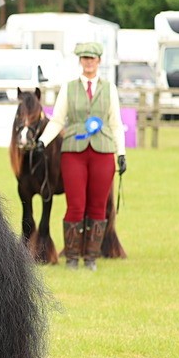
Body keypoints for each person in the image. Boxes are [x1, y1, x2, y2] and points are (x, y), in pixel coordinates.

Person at [36, 41, 127, 271]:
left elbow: (116, 124)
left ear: (99, 61)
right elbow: (58, 120)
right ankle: (72, 257)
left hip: (103, 151)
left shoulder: (109, 89)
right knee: (75, 205)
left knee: (98, 205)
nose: (88, 62)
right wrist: (43, 141)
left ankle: (91, 257)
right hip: (74, 152)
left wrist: (121, 153)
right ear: (80, 61)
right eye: (85, 58)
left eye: (92, 58)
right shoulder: (68, 88)